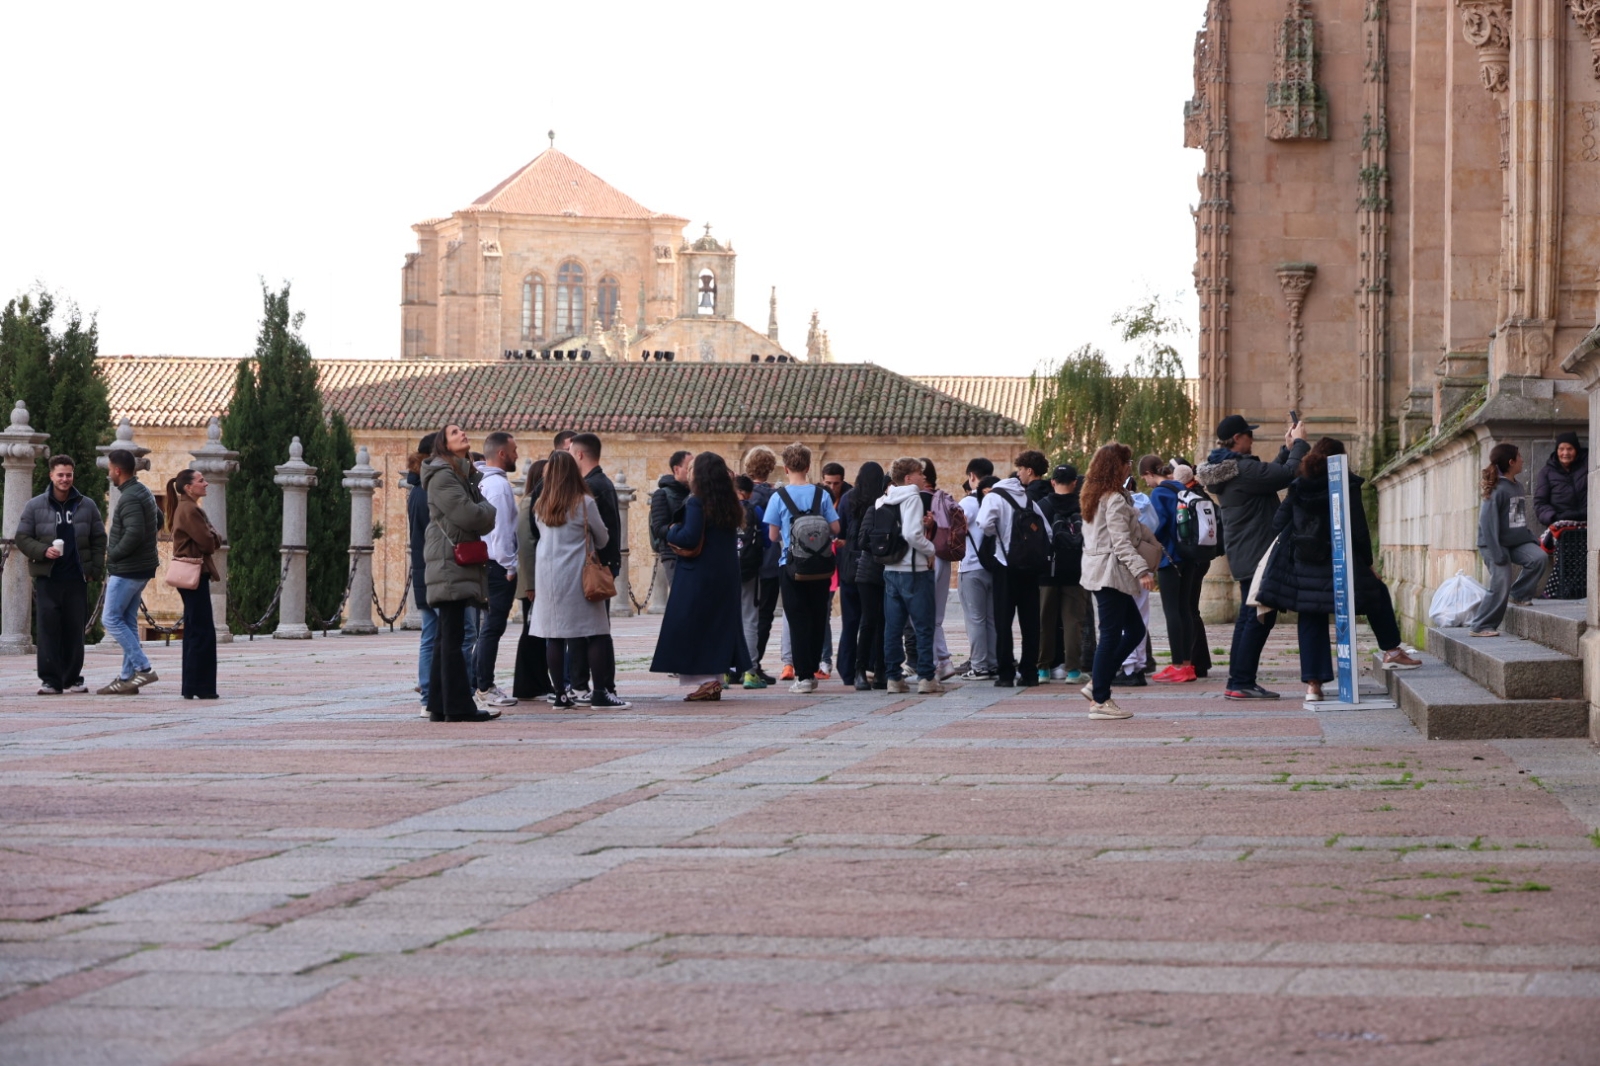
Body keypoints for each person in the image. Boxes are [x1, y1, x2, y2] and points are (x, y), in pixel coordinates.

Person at [1255, 437, 1422, 699]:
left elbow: (1278, 522)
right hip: (1341, 560)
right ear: (1340, 458)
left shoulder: (1299, 484)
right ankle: (1391, 650)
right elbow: (1358, 529)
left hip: (1305, 563)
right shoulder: (1346, 484)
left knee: (1311, 614)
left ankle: (1314, 685)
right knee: (1376, 592)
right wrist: (1368, 563)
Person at [1196, 413, 1309, 700]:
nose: (1252, 439)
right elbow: (1286, 474)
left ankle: (1238, 680)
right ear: (1237, 438)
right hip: (1256, 553)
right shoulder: (1241, 469)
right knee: (1259, 616)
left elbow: (1270, 475)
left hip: (1247, 552)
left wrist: (1286, 449)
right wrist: (1299, 444)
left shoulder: (1231, 469)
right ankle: (1240, 681)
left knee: (1252, 615)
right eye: (1249, 434)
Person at [650, 452, 753, 700]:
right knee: (716, 627)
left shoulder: (697, 501)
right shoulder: (729, 501)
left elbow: (689, 537)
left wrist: (671, 530)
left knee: (694, 627)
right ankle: (714, 680)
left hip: (699, 574)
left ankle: (707, 680)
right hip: (725, 574)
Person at [533, 451, 627, 708]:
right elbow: (603, 538)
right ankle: (600, 693)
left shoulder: (541, 503)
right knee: (595, 632)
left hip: (547, 576)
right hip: (577, 574)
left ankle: (561, 695)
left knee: (554, 636)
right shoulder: (583, 502)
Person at [422, 424, 501, 722]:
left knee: (447, 636)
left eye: (462, 431)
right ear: (443, 444)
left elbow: (475, 511)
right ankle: (458, 707)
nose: (462, 434)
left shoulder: (460, 474)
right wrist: (489, 512)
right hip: (448, 560)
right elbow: (470, 514)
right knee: (452, 637)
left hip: (450, 559)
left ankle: (440, 706)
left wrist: (482, 511)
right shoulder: (444, 475)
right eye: (454, 433)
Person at [1079, 443, 1159, 720]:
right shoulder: (1112, 499)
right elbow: (1121, 542)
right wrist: (1142, 571)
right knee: (1111, 635)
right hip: (1110, 572)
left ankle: (1097, 684)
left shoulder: (1096, 495)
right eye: (1127, 462)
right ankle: (1100, 700)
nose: (1129, 467)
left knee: (1134, 630)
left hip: (1104, 571)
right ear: (1116, 466)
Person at [14, 455, 105, 696]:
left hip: (77, 577)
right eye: (60, 475)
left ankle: (73, 678)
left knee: (74, 630)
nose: (65, 479)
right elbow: (22, 537)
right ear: (51, 476)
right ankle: (51, 681)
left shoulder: (87, 505)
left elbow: (98, 539)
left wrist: (95, 569)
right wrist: (43, 550)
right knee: (48, 629)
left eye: (69, 475)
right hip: (48, 577)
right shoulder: (35, 506)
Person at [762, 442, 840, 694]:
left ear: (785, 468)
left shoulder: (778, 497)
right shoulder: (822, 495)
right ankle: (814, 668)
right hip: (820, 566)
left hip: (791, 565)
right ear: (808, 466)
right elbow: (835, 528)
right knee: (818, 617)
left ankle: (804, 676)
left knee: (797, 619)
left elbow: (772, 535)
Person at [408, 434, 477, 716]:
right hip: (441, 568)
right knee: (459, 634)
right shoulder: (434, 487)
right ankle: (457, 694)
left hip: (427, 568)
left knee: (434, 635)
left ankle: (431, 696)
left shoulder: (418, 489)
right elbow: (464, 519)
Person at [976, 451, 1050, 687]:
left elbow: (984, 524)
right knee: (1030, 623)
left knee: (1003, 622)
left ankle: (1006, 674)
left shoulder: (994, 497)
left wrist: (998, 535)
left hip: (1005, 564)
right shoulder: (1029, 500)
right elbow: (1047, 532)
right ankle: (1030, 673)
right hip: (1030, 567)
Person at [876, 457, 944, 694]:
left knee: (893, 627)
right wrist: (931, 549)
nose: (923, 477)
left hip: (890, 568)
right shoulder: (913, 497)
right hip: (914, 570)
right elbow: (911, 534)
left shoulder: (883, 500)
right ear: (908, 478)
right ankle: (926, 677)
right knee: (923, 625)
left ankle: (894, 678)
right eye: (919, 473)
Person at [1466, 443, 1547, 637]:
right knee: (1501, 582)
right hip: (1493, 544)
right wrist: (1496, 552)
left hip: (1515, 542)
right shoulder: (1497, 489)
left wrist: (1531, 539)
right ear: (1511, 462)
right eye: (1519, 457)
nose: (1522, 460)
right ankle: (1481, 625)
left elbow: (1517, 519)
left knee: (1538, 558)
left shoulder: (1517, 486)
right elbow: (1487, 523)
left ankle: (1519, 594)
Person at [99, 448, 162, 695]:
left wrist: (113, 554)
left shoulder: (130, 497)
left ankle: (143, 668)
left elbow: (134, 533)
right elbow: (158, 519)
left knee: (110, 619)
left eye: (109, 470)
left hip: (128, 569)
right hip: (141, 567)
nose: (108, 474)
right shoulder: (142, 491)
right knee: (127, 620)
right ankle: (127, 678)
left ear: (117, 470)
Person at [569, 433, 623, 704]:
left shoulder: (592, 486)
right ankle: (598, 685)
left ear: (579, 454)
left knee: (591, 631)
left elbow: (601, 533)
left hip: (593, 567)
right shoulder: (603, 483)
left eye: (571, 453)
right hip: (602, 565)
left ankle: (593, 685)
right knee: (595, 629)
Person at [1141, 455, 1202, 685]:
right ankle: (1187, 664)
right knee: (1185, 609)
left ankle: (1177, 665)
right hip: (1189, 555)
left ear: (1149, 473)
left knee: (1172, 611)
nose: (1146, 483)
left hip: (1170, 559)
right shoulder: (1182, 488)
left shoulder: (1159, 493)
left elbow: (1157, 525)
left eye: (1144, 478)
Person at [471, 432, 520, 711]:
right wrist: (510, 565)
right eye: (513, 450)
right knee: (492, 627)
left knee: (486, 628)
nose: (516, 455)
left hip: (485, 562)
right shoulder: (498, 487)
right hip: (497, 564)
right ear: (501, 453)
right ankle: (484, 686)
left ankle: (476, 682)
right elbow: (500, 531)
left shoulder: (481, 481)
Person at [164, 469, 222, 699]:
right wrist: (214, 535)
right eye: (201, 481)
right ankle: (202, 687)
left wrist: (212, 535)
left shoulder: (187, 507)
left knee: (194, 630)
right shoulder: (190, 509)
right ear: (188, 487)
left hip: (193, 573)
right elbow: (209, 542)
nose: (205, 484)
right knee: (202, 632)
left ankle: (191, 686)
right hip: (195, 573)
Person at [1037, 464, 1087, 683]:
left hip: (1047, 571)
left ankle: (1043, 670)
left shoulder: (1042, 506)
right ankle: (1073, 671)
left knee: (1044, 621)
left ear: (1053, 482)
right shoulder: (1084, 505)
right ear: (1075, 483)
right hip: (1076, 570)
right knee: (1073, 622)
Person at [840, 462, 888, 690]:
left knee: (851, 621)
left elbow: (840, 530)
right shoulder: (883, 501)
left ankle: (848, 670)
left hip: (851, 565)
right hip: (875, 566)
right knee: (876, 620)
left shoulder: (848, 499)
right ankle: (876, 667)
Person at [512, 458, 552, 700]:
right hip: (533, 580)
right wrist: (531, 584)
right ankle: (528, 684)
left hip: (537, 578)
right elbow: (526, 546)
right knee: (531, 633)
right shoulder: (530, 502)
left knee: (537, 633)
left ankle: (539, 681)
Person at [744, 445, 781, 684]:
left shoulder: (743, 495)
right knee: (764, 616)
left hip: (745, 562)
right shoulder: (775, 496)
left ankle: (737, 664)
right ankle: (754, 665)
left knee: (743, 614)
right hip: (770, 562)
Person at [958, 462, 998, 680]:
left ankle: (979, 666)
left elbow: (956, 529)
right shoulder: (997, 500)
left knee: (975, 618)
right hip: (993, 565)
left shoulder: (967, 502)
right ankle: (992, 662)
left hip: (971, 566)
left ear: (972, 476)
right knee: (991, 619)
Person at [650, 450, 694, 594]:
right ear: (677, 469)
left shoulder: (694, 493)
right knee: (682, 595)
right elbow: (658, 528)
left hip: (694, 552)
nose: (692, 472)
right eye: (689, 468)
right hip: (672, 554)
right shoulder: (662, 494)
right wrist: (676, 528)